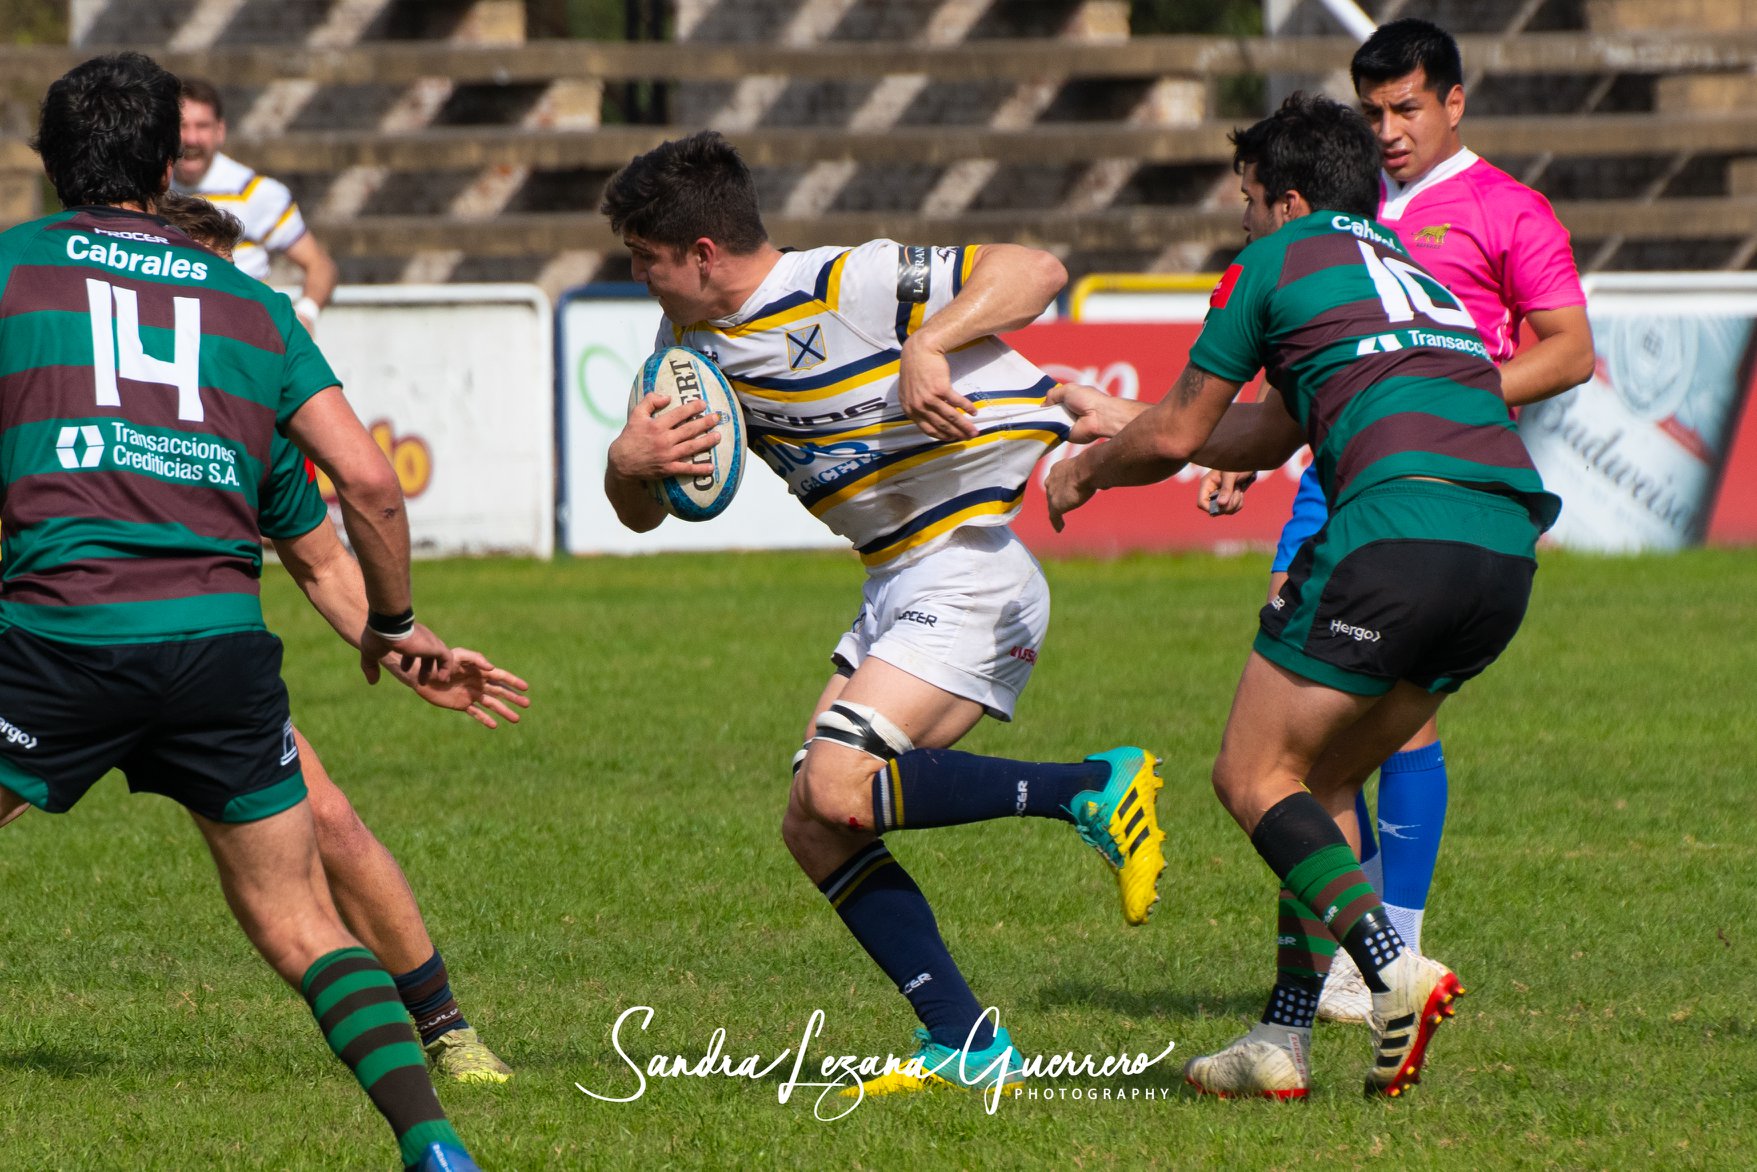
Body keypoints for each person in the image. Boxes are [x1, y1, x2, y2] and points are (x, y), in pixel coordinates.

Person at [598, 130, 1167, 1098]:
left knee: (838, 784)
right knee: (813, 824)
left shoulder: (845, 282)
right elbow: (649, 511)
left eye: (644, 258)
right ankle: (967, 1041)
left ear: (701, 253)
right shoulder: (683, 352)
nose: (635, 277)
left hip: (971, 568)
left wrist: (928, 343)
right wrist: (628, 464)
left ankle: (1089, 785)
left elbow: (1036, 270)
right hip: (892, 581)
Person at [0, 54, 474, 1171]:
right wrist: (395, 622)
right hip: (218, 649)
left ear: (50, 165)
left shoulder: (14, 270)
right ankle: (433, 1144)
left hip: (64, 634)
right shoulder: (254, 307)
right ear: (169, 168)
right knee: (303, 924)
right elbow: (369, 485)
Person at [1046, 92, 1561, 1098]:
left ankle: (1391, 968)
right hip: (1503, 549)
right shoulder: (1409, 271)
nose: (1242, 222)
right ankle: (1279, 1040)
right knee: (1317, 783)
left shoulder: (1276, 259)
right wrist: (1126, 417)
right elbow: (1265, 431)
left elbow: (1179, 433)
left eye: (1246, 201)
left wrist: (1087, 471)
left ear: (1283, 201)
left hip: (1394, 534)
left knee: (1248, 776)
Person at [1199, 17, 1594, 1023]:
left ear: (1453, 101)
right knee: (1299, 723)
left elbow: (1568, 349)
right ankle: (1334, 978)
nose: (1386, 130)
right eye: (1370, 110)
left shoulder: (1506, 209)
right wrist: (1252, 446)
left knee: (1385, 724)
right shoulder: (1351, 202)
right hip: (1333, 470)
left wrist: (1443, 394)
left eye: (1405, 108)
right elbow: (1305, 344)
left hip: (1421, 478)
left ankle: (1393, 945)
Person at [119, 192, 524, 1085]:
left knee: (330, 821)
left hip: (198, 666)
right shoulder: (72, 390)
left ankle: (448, 1032)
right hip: (66, 651)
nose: (228, 297)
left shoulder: (243, 417)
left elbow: (322, 561)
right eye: (214, 276)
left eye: (237, 277)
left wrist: (407, 646)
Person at [172, 77, 338, 334]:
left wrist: (305, 314)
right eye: (182, 126)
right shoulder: (152, 190)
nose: (191, 138)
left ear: (220, 131)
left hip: (243, 336)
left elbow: (320, 265)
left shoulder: (253, 191)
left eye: (202, 126)